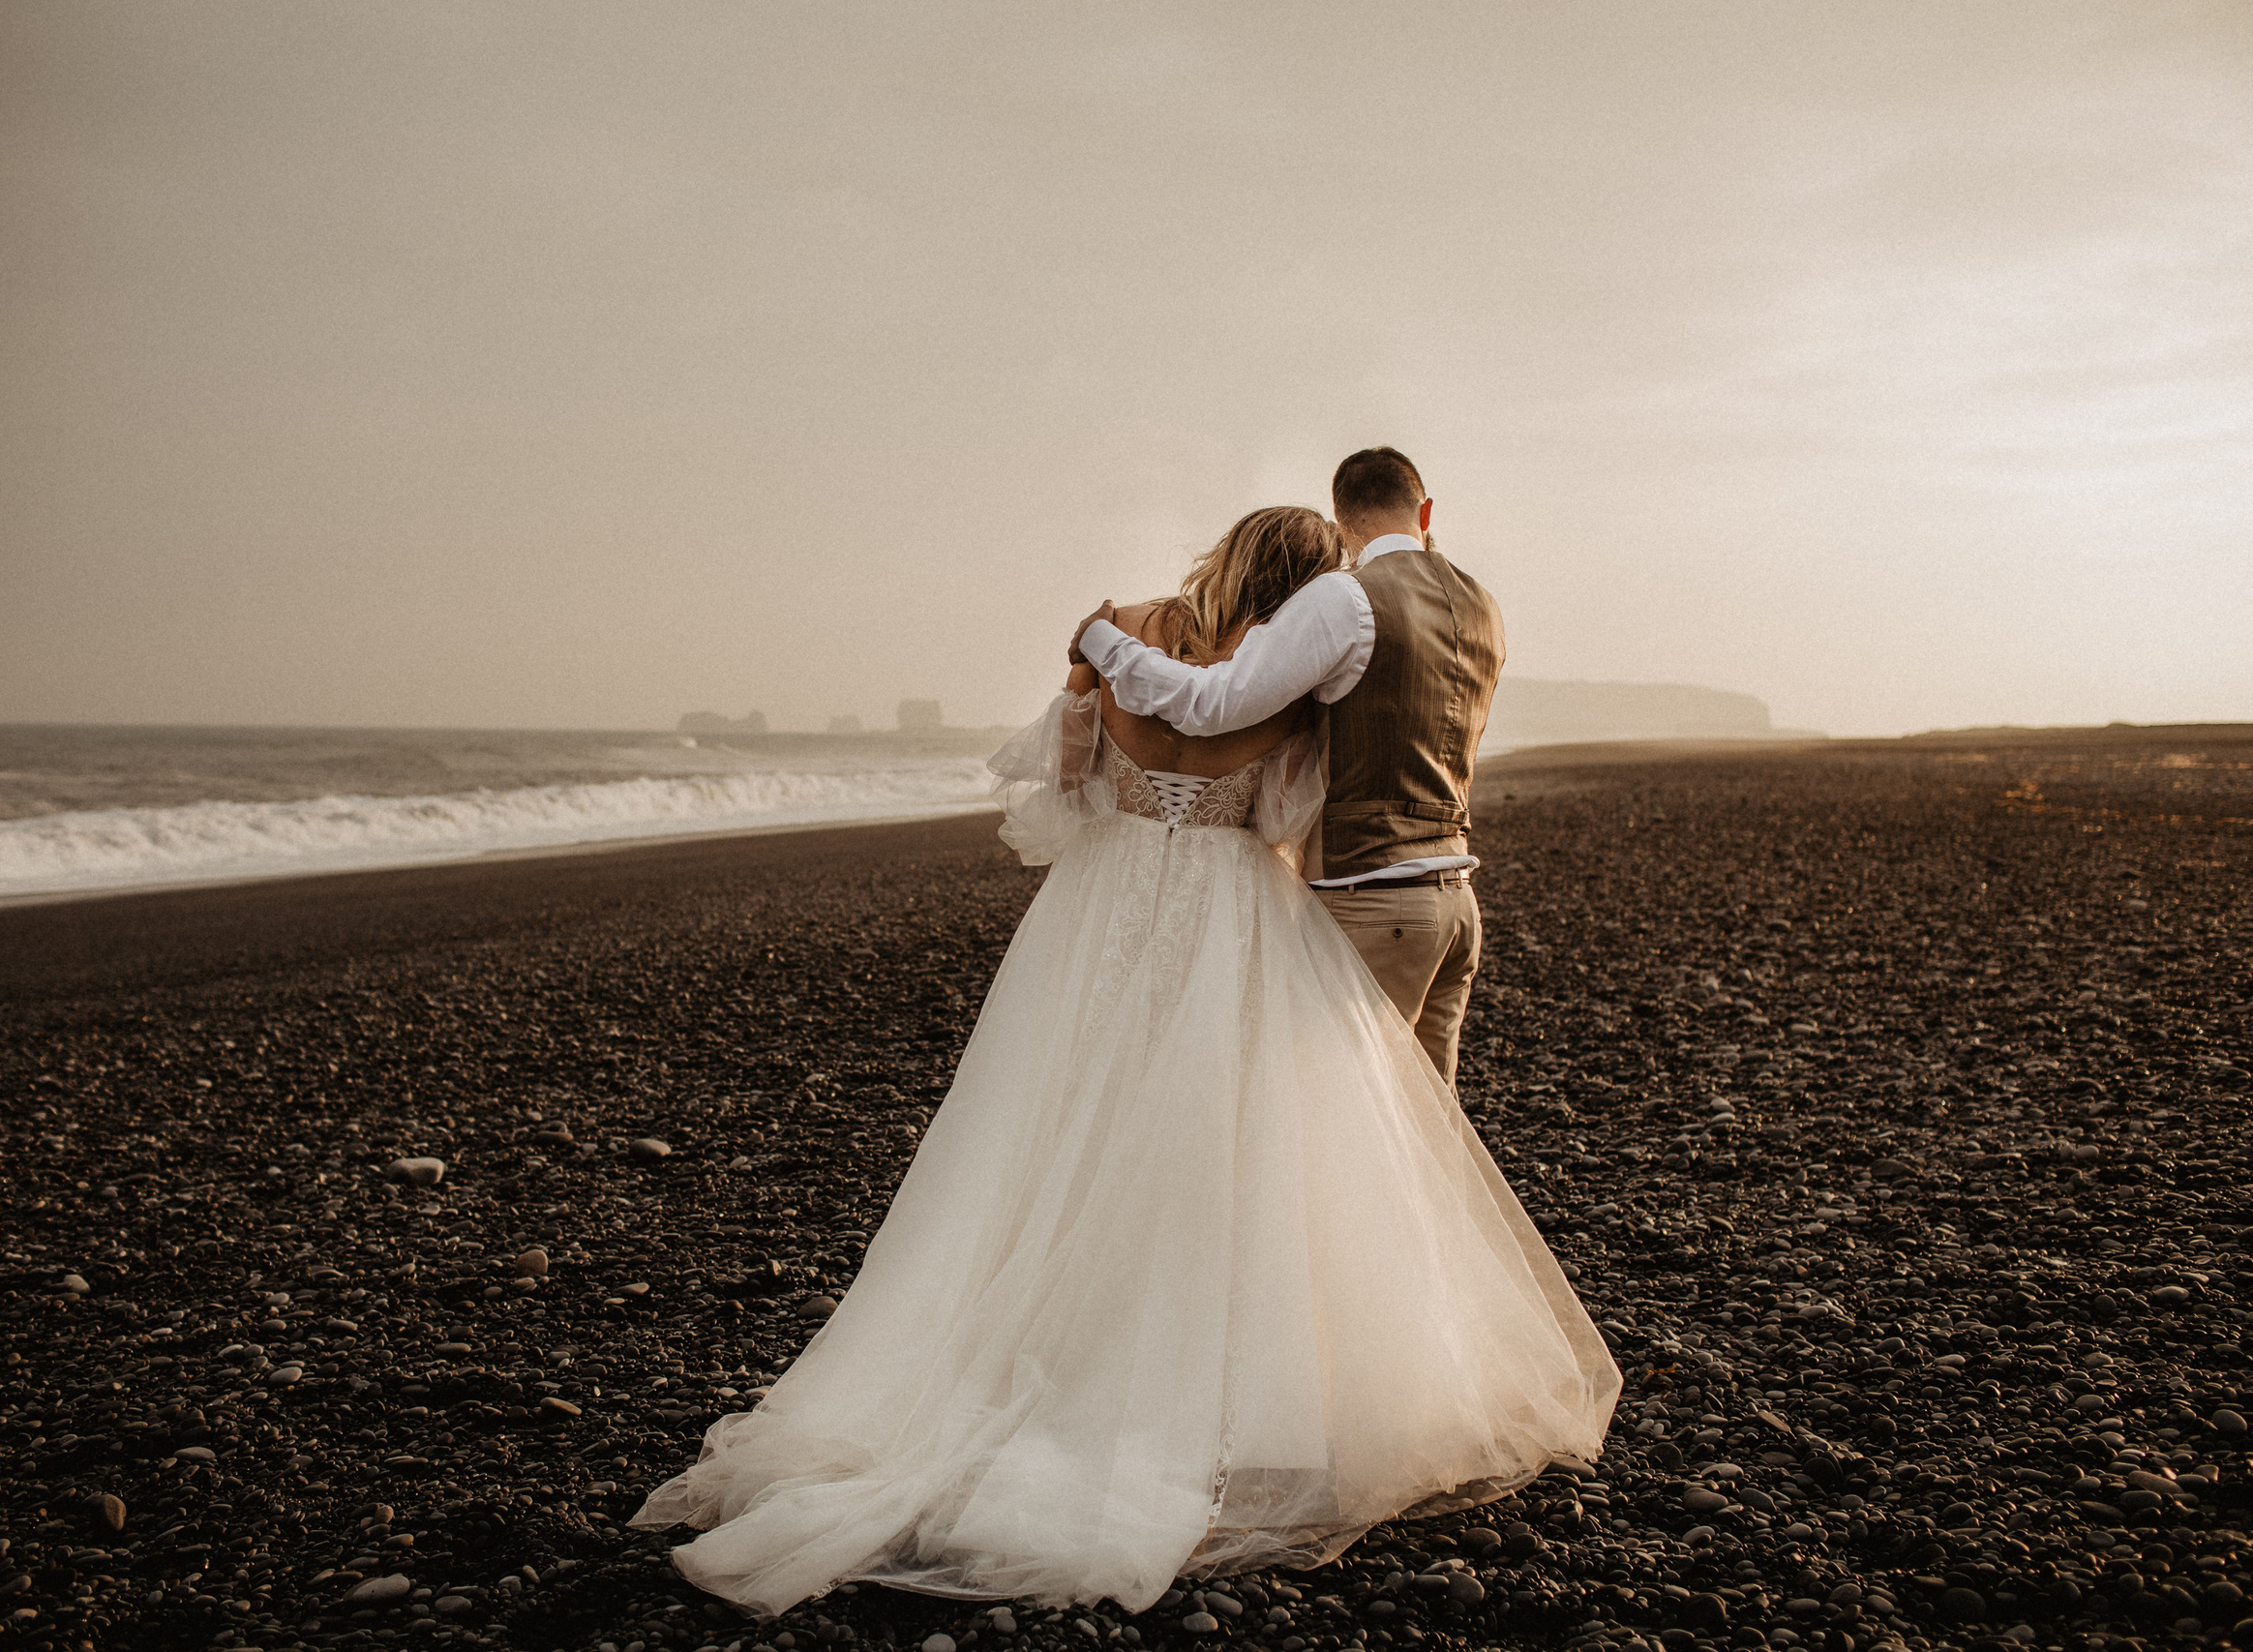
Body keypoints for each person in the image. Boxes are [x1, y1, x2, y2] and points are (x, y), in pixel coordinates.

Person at [631, 504, 1615, 1620]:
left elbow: (1063, 791)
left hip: (1098, 906)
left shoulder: (1132, 626)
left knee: (1053, 1120)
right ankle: (1213, 1374)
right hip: (1229, 906)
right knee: (1213, 1136)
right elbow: (1283, 818)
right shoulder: (1285, 677)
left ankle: (1018, 1351)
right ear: (1309, 583)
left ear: (1226, 554)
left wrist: (1103, 716)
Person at [1071, 447, 1501, 1087]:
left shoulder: (1347, 597)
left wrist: (1102, 640)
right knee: (1424, 1123)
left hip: (1374, 900)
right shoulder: (1481, 606)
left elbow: (1212, 703)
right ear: (1426, 512)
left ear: (1342, 521)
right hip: (1457, 903)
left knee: (1338, 1107)